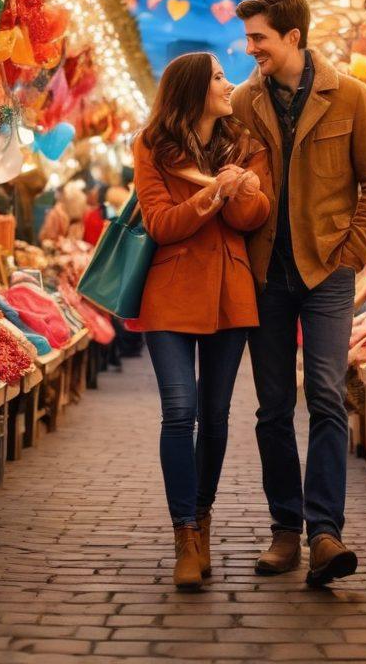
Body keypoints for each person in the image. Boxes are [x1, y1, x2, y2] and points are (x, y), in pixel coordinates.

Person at [231, 0, 366, 587]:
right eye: (249, 38)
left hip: (327, 271)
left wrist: (352, 252)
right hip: (264, 277)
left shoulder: (349, 96)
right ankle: (285, 530)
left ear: (293, 39)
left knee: (326, 396)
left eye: (259, 39)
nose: (250, 50)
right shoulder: (243, 103)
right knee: (273, 408)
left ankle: (326, 533)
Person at [131, 52, 272, 591]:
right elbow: (161, 224)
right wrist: (216, 190)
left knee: (214, 415)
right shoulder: (151, 146)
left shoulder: (246, 146)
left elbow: (251, 218)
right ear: (193, 89)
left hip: (230, 294)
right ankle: (185, 533)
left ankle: (204, 519)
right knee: (179, 410)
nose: (228, 83)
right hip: (169, 293)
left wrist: (245, 191)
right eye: (218, 77)